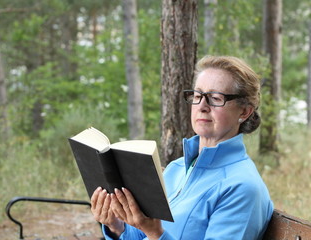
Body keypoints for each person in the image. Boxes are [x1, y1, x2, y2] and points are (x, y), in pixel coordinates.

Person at [90, 55, 274, 240]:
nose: (202, 106)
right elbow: (142, 236)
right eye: (197, 95)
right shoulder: (175, 169)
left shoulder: (242, 187)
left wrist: (156, 233)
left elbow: (153, 234)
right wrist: (116, 227)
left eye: (215, 98)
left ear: (244, 111)